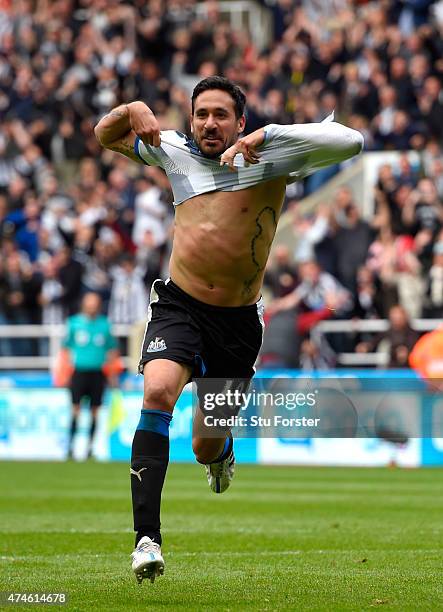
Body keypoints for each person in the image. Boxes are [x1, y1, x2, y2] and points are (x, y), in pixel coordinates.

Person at [94, 76, 363, 584]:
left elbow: (352, 141)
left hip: (238, 324)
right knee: (156, 393)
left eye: (220, 114)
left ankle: (222, 453)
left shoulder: (274, 156)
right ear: (190, 118)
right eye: (201, 114)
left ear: (240, 122)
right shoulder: (170, 150)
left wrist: (270, 136)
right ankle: (145, 539)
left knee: (203, 444)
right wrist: (132, 108)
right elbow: (104, 136)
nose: (209, 124)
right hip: (179, 307)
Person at [62, 292, 118, 460]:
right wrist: (64, 373)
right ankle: (70, 447)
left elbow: (112, 350)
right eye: (89, 303)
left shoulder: (104, 325)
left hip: (98, 373)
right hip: (79, 372)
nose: (92, 307)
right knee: (75, 409)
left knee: (95, 411)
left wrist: (112, 374)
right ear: (84, 305)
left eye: (95, 303)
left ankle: (90, 448)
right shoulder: (73, 323)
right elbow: (65, 349)